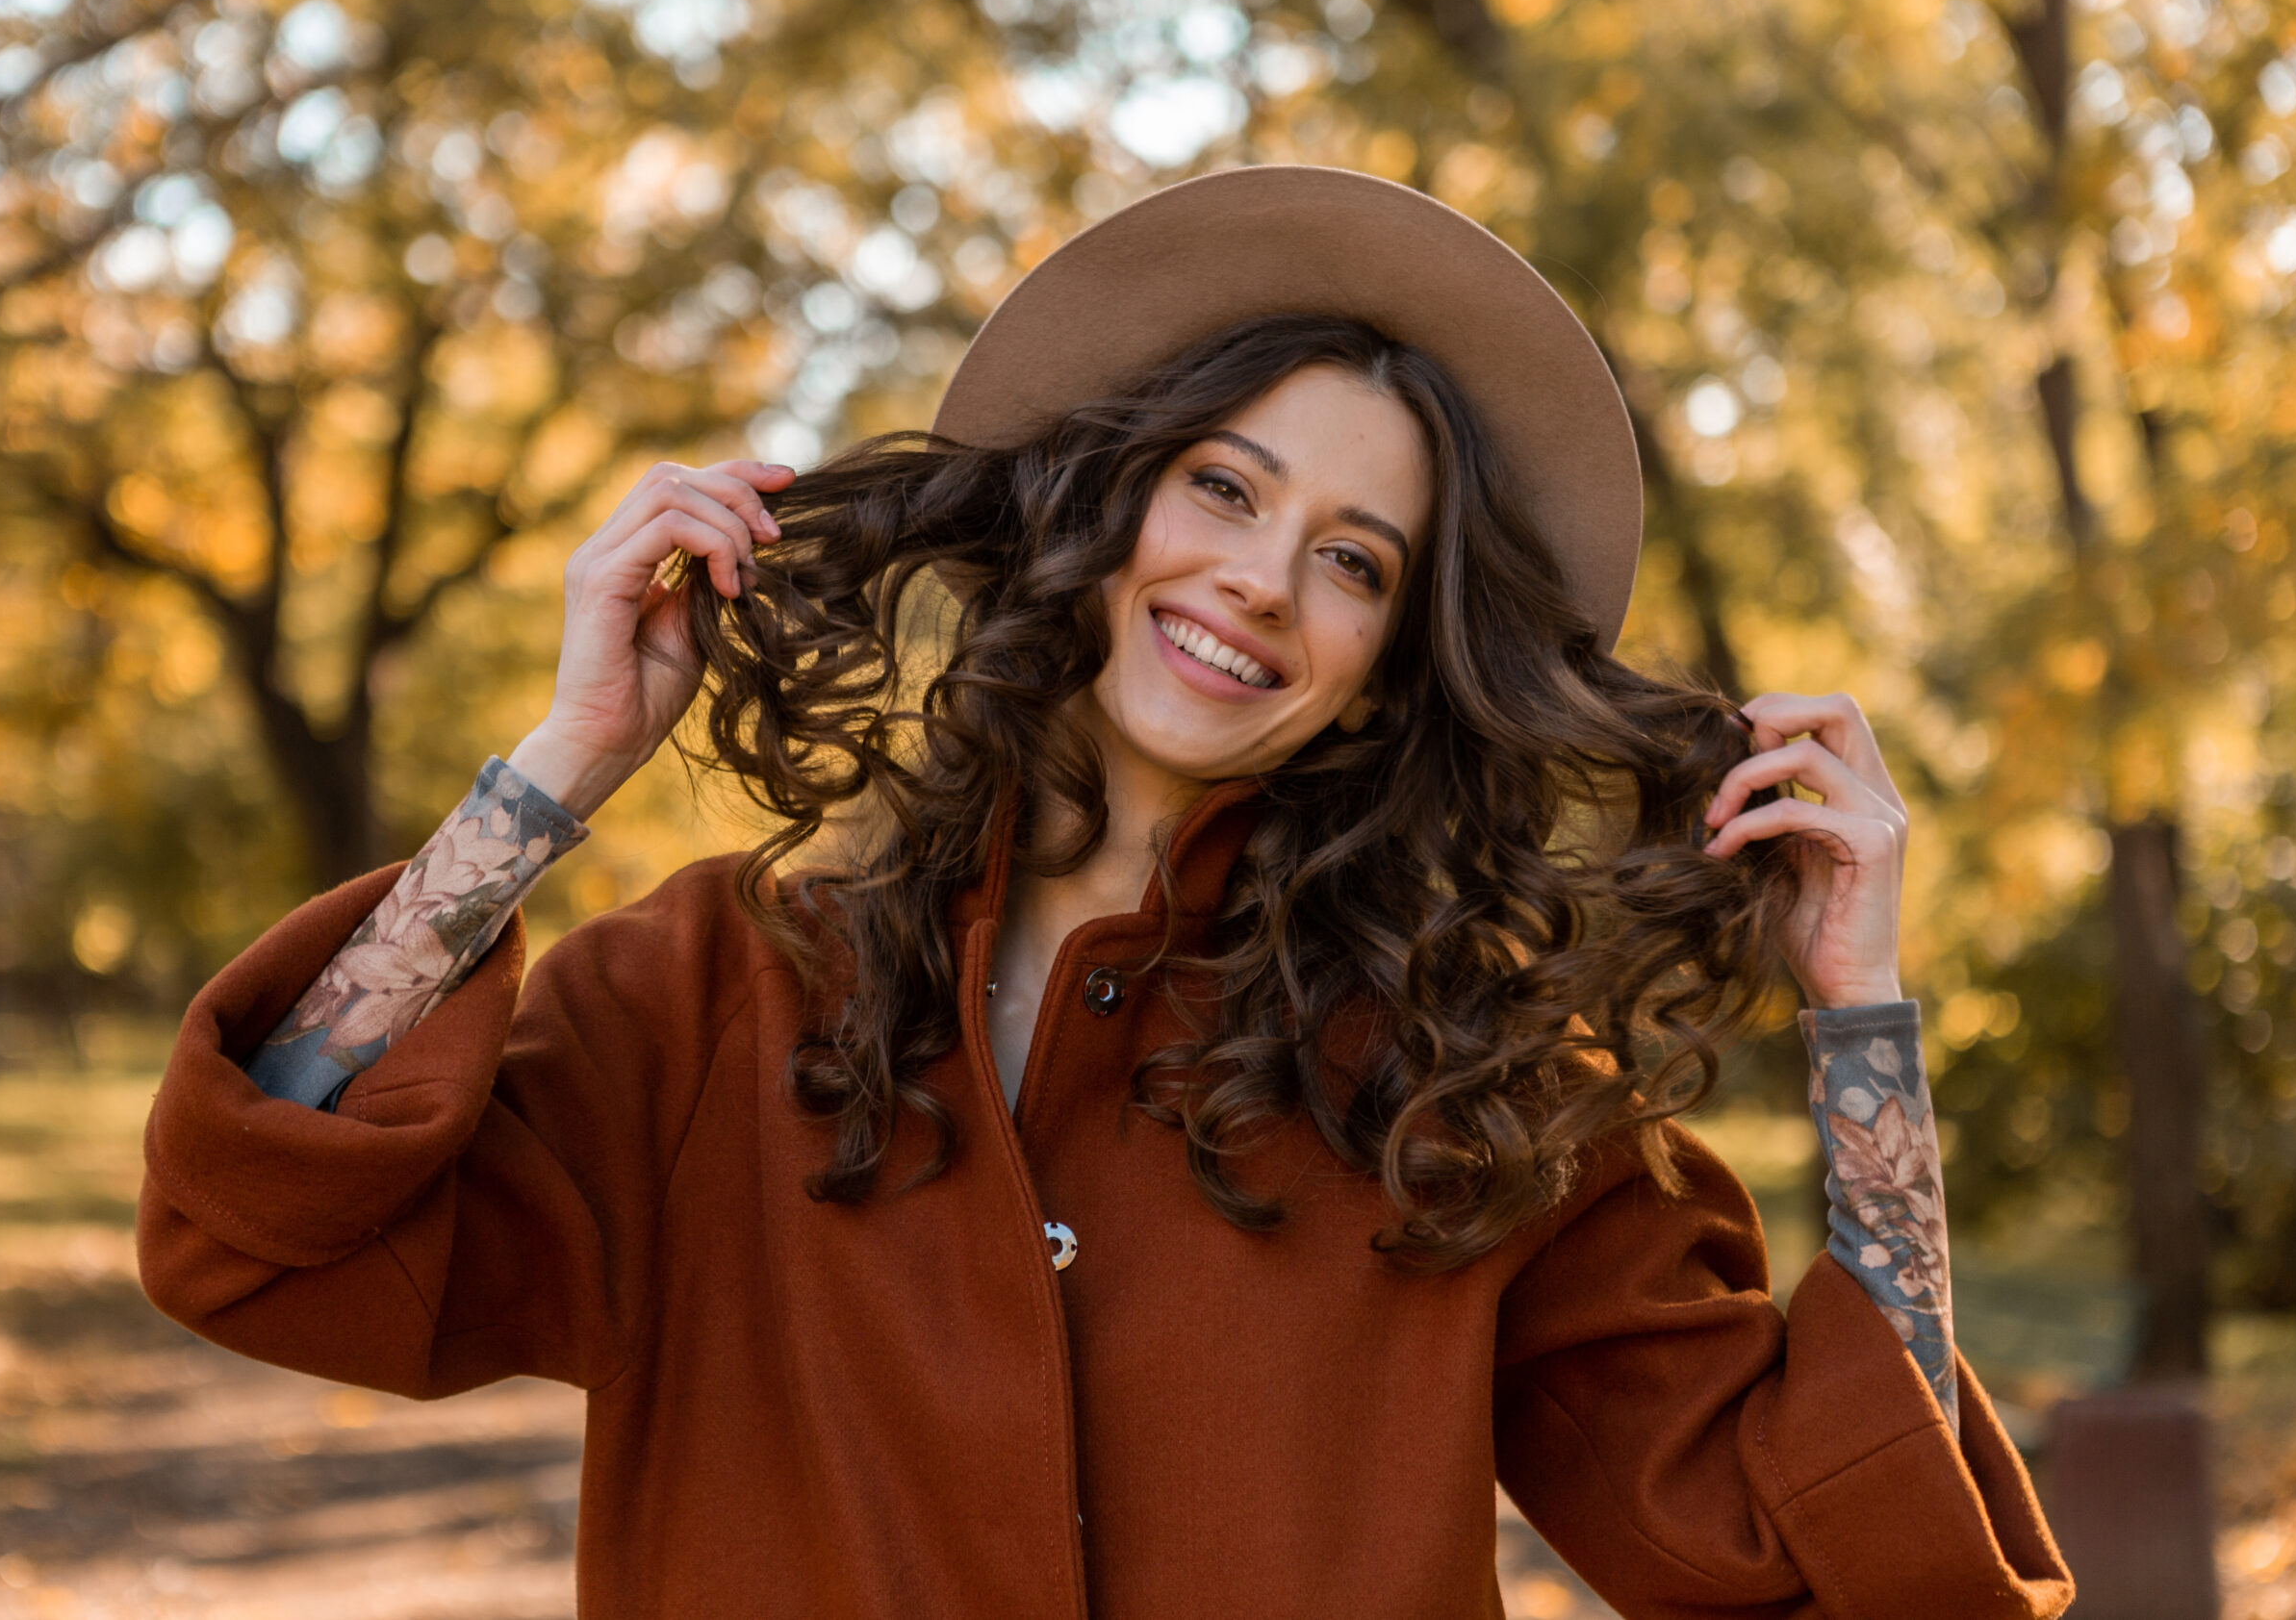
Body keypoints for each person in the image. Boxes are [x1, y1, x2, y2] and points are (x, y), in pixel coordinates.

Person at [137, 166, 2071, 1618]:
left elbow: (1829, 1550)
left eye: (1352, 559)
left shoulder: (1470, 1084)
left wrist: (1859, 1035)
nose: (1254, 579)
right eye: (1220, 490)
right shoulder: (714, 990)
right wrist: (554, 771)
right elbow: (268, 1230)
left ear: (1391, 660)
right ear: (1101, 495)